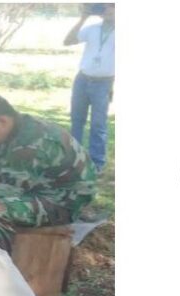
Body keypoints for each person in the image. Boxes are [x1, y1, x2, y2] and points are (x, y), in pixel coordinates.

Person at [0, 89, 96, 252]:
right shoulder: (13, 130)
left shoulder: (28, 145)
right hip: (42, 183)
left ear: (2, 121)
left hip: (65, 199)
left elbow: (7, 195)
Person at [64, 3, 115, 174]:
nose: (108, 10)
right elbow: (68, 41)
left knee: (98, 124)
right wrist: (83, 18)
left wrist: (112, 85)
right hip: (83, 80)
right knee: (77, 120)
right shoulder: (92, 28)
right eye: (106, 7)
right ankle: (73, 159)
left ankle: (97, 164)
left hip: (103, 82)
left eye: (113, 7)